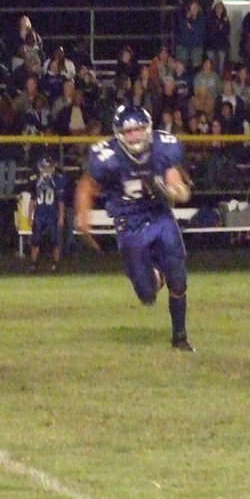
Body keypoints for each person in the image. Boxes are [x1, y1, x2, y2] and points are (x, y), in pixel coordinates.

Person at [74, 106, 195, 351]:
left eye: (139, 130)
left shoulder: (163, 146)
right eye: (128, 132)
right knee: (147, 295)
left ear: (148, 129)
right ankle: (155, 276)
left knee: (179, 278)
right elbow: (87, 186)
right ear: (119, 134)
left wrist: (177, 188)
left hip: (159, 214)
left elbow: (174, 177)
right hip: (128, 220)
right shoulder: (107, 156)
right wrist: (83, 218)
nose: (135, 136)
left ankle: (179, 338)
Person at [27, 157, 66, 272]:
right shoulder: (36, 180)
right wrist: (30, 215)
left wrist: (61, 216)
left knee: (55, 241)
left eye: (48, 167)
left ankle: (55, 264)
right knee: (36, 241)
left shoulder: (57, 180)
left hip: (51, 214)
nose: (47, 170)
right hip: (39, 214)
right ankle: (33, 264)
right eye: (45, 167)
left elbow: (60, 201)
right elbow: (33, 200)